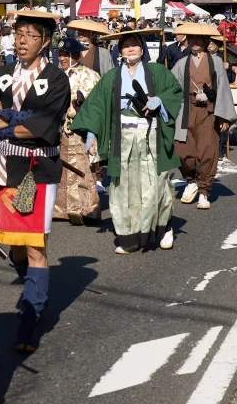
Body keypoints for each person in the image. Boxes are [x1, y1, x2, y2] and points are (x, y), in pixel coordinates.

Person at [0, 9, 70, 353]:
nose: (21, 40)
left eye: (31, 35)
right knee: (12, 244)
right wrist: (14, 119)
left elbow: (42, 128)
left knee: (34, 244)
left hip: (38, 171)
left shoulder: (57, 79)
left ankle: (30, 316)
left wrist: (5, 117)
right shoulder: (0, 74)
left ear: (45, 42)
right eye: (19, 34)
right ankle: (34, 287)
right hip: (5, 168)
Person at [70, 30, 182, 254]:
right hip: (122, 137)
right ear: (120, 51)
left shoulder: (157, 71)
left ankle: (163, 227)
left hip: (151, 136)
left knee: (155, 186)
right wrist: (92, 132)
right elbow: (96, 105)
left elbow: (174, 91)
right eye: (126, 46)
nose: (130, 49)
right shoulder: (112, 76)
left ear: (142, 49)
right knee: (123, 189)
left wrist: (160, 101)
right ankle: (129, 237)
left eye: (134, 45)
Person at [172, 23, 237, 209]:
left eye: (199, 39)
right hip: (186, 109)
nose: (196, 42)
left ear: (206, 41)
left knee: (207, 150)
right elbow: (172, 87)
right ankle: (191, 179)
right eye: (192, 39)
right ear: (188, 40)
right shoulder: (181, 63)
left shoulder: (215, 61)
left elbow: (223, 87)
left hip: (209, 111)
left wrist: (224, 116)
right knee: (183, 150)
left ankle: (204, 191)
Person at [54, 37, 101, 224]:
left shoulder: (90, 75)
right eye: (61, 54)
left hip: (81, 127)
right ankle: (61, 209)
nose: (62, 58)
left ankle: (86, 208)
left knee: (82, 166)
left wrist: (93, 130)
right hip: (59, 128)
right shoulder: (56, 76)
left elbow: (96, 105)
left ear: (77, 55)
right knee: (61, 167)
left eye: (67, 54)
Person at [207, 35, 236, 162]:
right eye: (208, 44)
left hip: (220, 93)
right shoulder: (203, 58)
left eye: (212, 44)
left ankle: (220, 149)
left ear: (217, 46)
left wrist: (228, 69)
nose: (209, 46)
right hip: (207, 92)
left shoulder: (223, 58)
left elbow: (231, 78)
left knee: (221, 119)